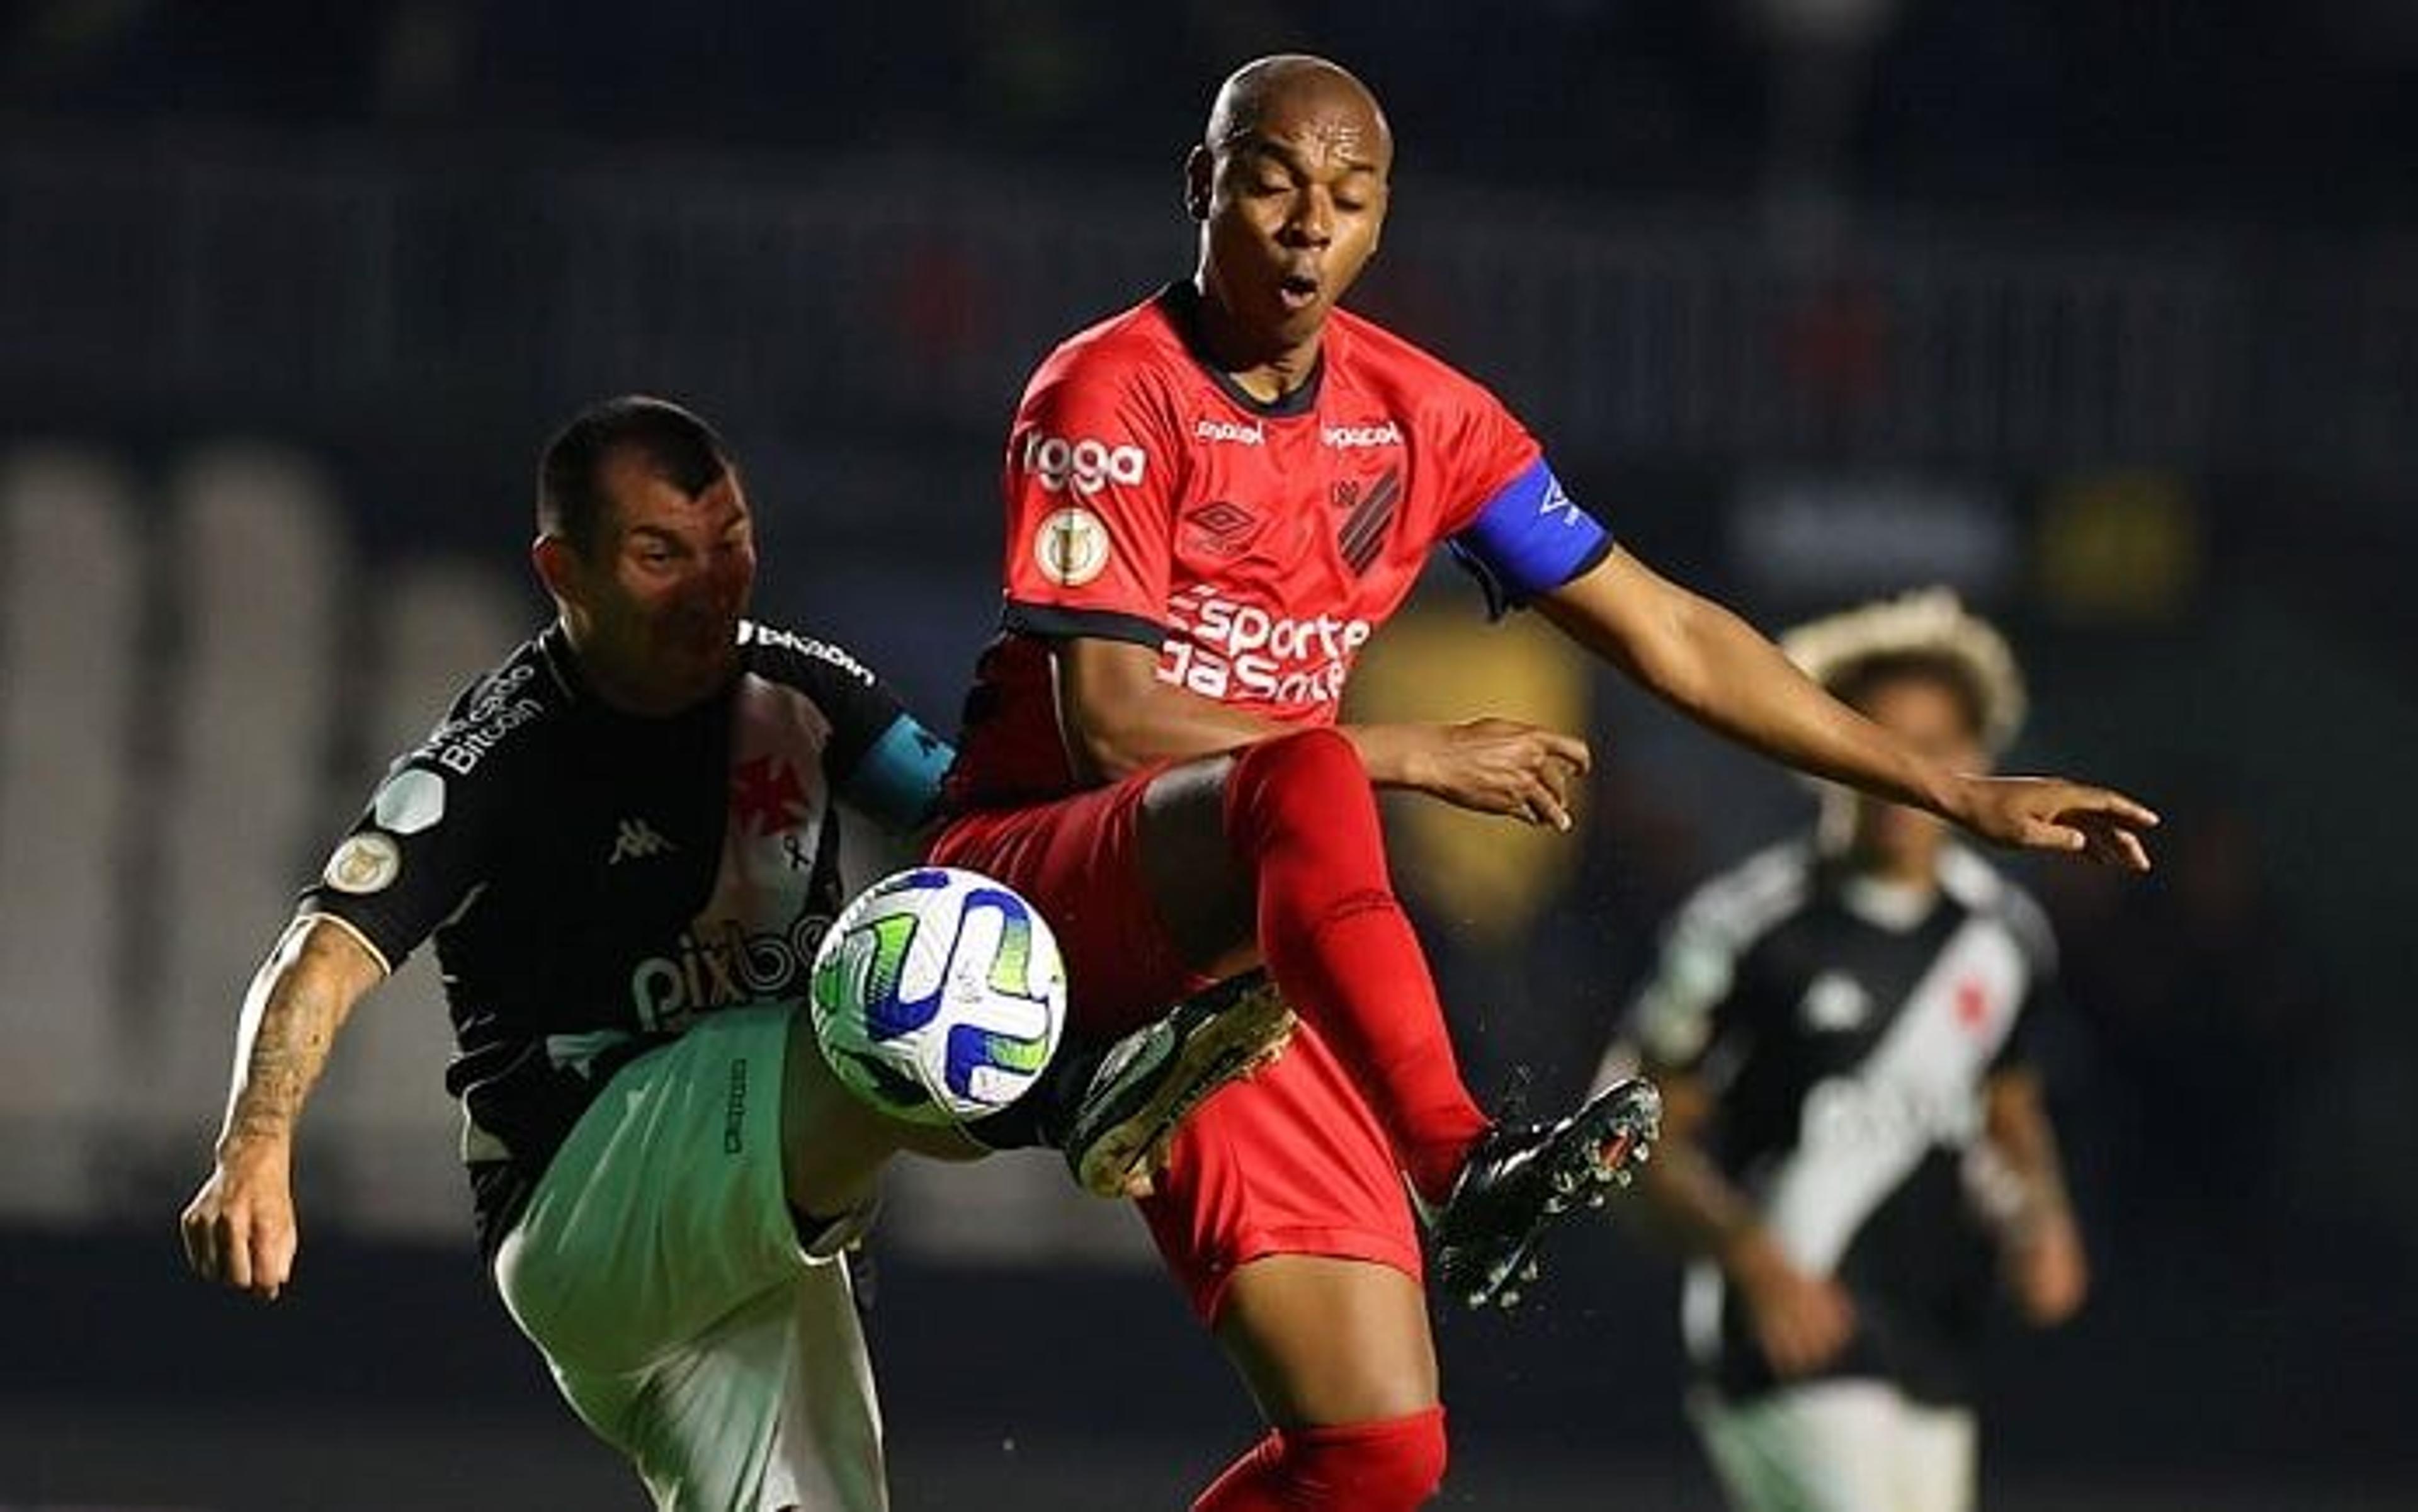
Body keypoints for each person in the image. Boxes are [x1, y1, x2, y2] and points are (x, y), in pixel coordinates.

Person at [929, 54, 2156, 1512]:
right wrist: (1396, 754)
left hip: (1238, 951)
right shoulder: (1106, 390)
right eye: (1272, 183)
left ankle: (1275, 1107)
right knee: (1311, 783)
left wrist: (1953, 793)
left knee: (1378, 1455)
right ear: (1204, 187)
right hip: (1044, 879)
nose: (1309, 225)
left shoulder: (1426, 417)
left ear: (1384, 222)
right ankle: (1462, 1166)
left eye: (1350, 195)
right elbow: (1119, 727)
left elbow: (1672, 632)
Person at [176, 395, 1290, 1512]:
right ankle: (1080, 1093)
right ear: (565, 568)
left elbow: (991, 834)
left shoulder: (799, 690)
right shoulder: (503, 753)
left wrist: (1163, 858)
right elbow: (321, 950)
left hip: (754, 1225)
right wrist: (255, 1146)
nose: (713, 586)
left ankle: (1092, 1065)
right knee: (910, 974)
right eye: (662, 554)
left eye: (731, 542)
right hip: (589, 1197)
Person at [1599, 589, 2091, 1512]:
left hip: (1933, 1340)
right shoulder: (1747, 930)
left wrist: (2045, 1218)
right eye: (1880, 740)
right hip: (1789, 1338)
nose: (1907, 773)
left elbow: (2007, 1103)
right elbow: (1628, 1127)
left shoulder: (2005, 934)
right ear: (1826, 750)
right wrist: (1752, 1256)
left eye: (1936, 744)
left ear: (1979, 757)